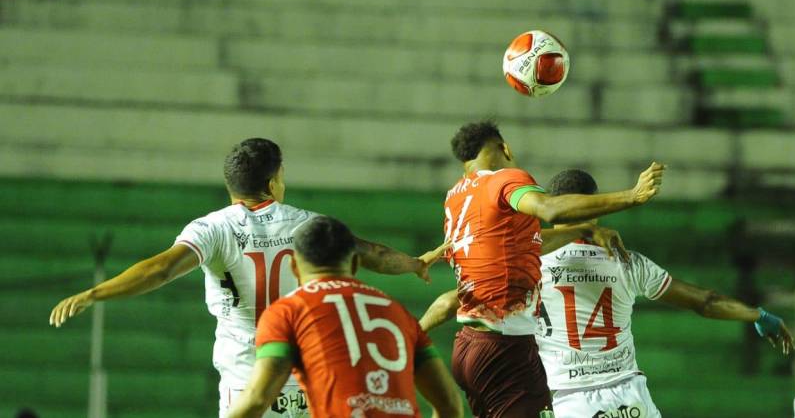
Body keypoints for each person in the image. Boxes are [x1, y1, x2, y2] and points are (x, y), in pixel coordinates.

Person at [50, 138, 441, 417]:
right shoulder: (307, 223)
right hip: (304, 378)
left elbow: (161, 269)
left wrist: (94, 293)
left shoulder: (212, 228)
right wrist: (415, 263)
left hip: (245, 380)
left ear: (230, 186)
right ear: (272, 184)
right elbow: (372, 253)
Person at [421, 120, 665, 417]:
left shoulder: (457, 197)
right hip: (506, 350)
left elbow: (520, 243)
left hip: (469, 348)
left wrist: (583, 231)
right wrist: (632, 196)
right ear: (504, 148)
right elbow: (549, 209)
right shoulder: (505, 180)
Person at [532, 169, 794, 417]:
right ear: (597, 207)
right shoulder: (626, 261)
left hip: (570, 401)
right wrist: (756, 315)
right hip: (631, 397)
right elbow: (705, 302)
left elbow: (500, 247)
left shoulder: (530, 263)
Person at [228, 215, 462, 418]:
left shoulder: (287, 311)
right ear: (353, 264)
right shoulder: (397, 311)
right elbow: (450, 405)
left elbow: (257, 400)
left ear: (294, 267)